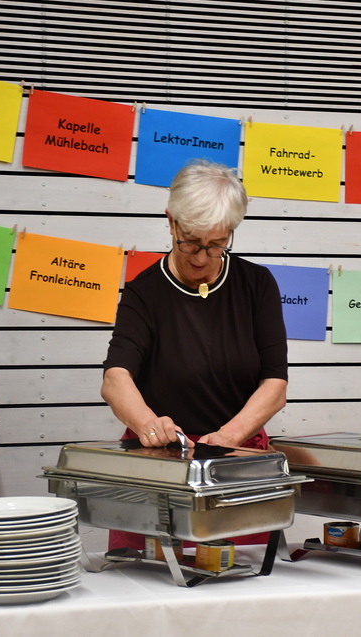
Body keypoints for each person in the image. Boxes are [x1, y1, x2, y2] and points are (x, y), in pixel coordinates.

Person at [101, 160, 287, 550]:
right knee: (147, 576)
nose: (201, 257)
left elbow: (275, 385)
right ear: (170, 222)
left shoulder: (257, 285)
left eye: (216, 245)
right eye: (190, 241)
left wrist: (228, 438)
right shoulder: (143, 292)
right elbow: (116, 378)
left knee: (244, 572)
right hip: (161, 466)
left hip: (237, 463)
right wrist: (148, 424)